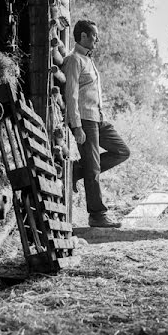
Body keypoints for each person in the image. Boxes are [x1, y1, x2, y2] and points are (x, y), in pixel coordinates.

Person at [63, 19, 130, 228]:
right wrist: (76, 127)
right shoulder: (74, 60)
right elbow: (71, 96)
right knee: (92, 171)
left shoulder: (89, 60)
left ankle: (76, 170)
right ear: (83, 36)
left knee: (122, 151)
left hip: (99, 119)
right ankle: (97, 216)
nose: (97, 39)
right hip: (85, 120)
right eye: (94, 35)